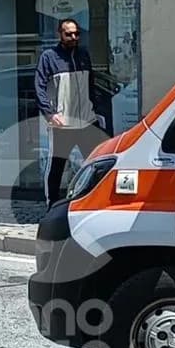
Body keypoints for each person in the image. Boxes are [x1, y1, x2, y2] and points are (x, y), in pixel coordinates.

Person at [35, 18, 105, 209]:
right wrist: (49, 114)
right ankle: (52, 205)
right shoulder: (49, 57)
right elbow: (39, 88)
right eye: (69, 34)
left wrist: (96, 110)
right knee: (57, 166)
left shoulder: (83, 54)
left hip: (86, 120)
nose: (73, 37)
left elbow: (90, 84)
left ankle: (95, 202)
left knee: (97, 163)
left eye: (76, 33)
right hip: (62, 122)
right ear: (60, 34)